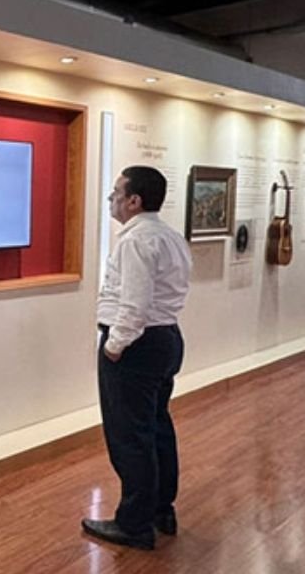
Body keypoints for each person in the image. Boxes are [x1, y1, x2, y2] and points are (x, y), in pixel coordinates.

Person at [82, 165, 191, 551]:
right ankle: (161, 509)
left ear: (134, 201)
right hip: (165, 339)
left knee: (130, 436)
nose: (111, 199)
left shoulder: (135, 241)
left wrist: (114, 346)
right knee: (157, 426)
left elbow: (135, 305)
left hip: (136, 347)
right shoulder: (170, 237)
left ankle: (134, 524)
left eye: (116, 193)